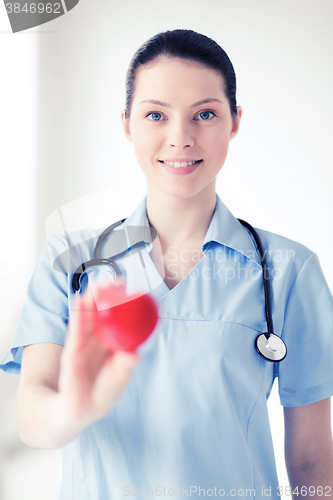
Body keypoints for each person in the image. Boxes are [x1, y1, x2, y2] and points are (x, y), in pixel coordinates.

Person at [1, 29, 333, 500]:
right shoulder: (70, 263)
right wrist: (74, 408)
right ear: (127, 123)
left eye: (205, 114)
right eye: (156, 114)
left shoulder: (289, 271)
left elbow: (312, 461)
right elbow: (33, 418)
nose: (180, 137)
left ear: (235, 122)